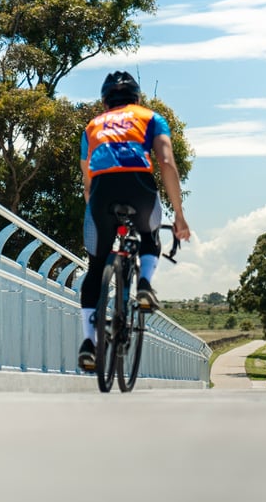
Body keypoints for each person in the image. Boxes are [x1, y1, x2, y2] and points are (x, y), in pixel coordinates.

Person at [77, 71, 190, 372]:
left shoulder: (91, 127)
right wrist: (179, 216)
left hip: (101, 193)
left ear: (104, 103)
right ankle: (143, 286)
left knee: (95, 267)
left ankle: (90, 343)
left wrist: (100, 216)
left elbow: (87, 182)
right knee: (150, 236)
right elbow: (166, 162)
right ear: (137, 99)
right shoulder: (151, 118)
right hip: (139, 188)